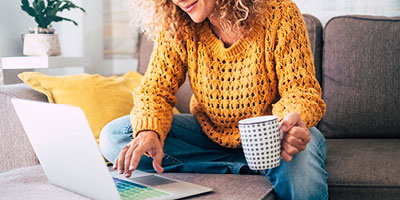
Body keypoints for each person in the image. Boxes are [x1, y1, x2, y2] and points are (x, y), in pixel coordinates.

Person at [100, 0, 328, 199]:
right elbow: (155, 90)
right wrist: (149, 131)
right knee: (115, 136)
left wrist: (287, 126)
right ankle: (248, 168)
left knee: (301, 160)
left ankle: (256, 163)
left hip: (272, 137)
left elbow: (301, 91)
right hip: (209, 134)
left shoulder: (280, 13)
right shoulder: (178, 24)